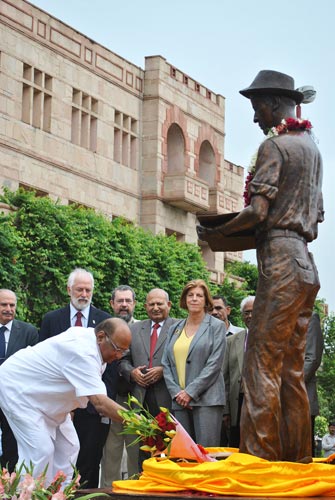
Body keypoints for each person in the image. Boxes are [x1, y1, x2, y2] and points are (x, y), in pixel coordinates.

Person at [197, 70, 323, 461]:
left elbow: (259, 212)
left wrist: (216, 232)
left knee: (261, 366)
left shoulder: (276, 147)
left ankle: (258, 461)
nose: (255, 118)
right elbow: (313, 220)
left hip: (281, 262)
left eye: (256, 109)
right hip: (305, 264)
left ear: (272, 103)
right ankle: (297, 459)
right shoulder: (313, 150)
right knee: (289, 370)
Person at [0, 318, 131, 485]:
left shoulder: (93, 343)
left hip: (43, 397)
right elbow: (100, 403)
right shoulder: (83, 351)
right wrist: (139, 422)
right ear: (100, 336)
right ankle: (26, 494)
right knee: (40, 451)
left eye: (124, 352)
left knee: (69, 447)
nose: (119, 356)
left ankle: (59, 493)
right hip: (18, 389)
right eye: (117, 349)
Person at [39, 268, 111, 487]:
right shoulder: (52, 319)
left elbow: (110, 365)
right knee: (56, 457)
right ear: (69, 290)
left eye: (88, 290)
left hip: (90, 405)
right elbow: (43, 360)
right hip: (57, 405)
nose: (84, 294)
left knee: (89, 459)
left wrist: (101, 402)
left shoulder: (105, 321)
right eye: (79, 289)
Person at [119, 288, 178, 470]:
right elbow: (122, 359)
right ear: (145, 306)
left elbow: (185, 361)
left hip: (169, 398)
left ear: (168, 305)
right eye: (151, 304)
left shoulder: (179, 328)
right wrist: (131, 372)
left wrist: (163, 370)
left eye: (159, 304)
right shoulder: (134, 329)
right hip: (140, 398)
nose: (155, 308)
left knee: (169, 450)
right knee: (143, 450)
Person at [162, 279, 226, 446]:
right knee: (184, 455)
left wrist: (190, 392)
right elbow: (166, 363)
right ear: (185, 299)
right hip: (179, 401)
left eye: (199, 295)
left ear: (206, 301)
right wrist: (177, 392)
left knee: (206, 455)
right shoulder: (174, 328)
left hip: (207, 400)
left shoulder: (216, 326)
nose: (194, 299)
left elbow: (214, 364)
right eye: (190, 295)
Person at [100, 285, 139, 486]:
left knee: (134, 454)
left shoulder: (142, 329)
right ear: (112, 304)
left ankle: (134, 494)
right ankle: (108, 494)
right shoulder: (102, 329)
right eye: (120, 301)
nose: (124, 305)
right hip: (108, 399)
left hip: (136, 400)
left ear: (134, 304)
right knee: (111, 454)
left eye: (128, 301)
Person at [0, 289, 39, 471]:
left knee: (11, 449)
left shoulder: (28, 332)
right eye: (3, 305)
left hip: (15, 400)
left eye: (12, 305)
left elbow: (34, 369)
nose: (8, 309)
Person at [222, 296, 255, 448]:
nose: (250, 316)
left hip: (261, 402)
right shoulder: (232, 341)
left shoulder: (272, 339)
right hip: (238, 403)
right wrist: (226, 411)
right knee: (236, 446)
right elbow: (226, 378)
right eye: (246, 312)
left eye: (254, 312)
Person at [304, 312, 324, 456]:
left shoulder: (310, 317)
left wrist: (290, 385)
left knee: (303, 451)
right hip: (278, 398)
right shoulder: (278, 317)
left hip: (302, 394)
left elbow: (312, 359)